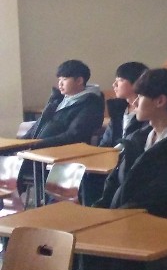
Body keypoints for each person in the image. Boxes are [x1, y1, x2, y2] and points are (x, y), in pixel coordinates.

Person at [96, 68, 167, 217]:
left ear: (160, 101)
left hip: (151, 222)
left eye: (141, 96)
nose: (135, 102)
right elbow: (113, 184)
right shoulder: (136, 138)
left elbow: (161, 197)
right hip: (119, 218)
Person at [17, 59, 105, 193]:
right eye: (59, 79)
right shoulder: (59, 99)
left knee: (10, 166)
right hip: (37, 151)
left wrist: (37, 144)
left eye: (64, 79)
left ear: (79, 81)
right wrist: (21, 143)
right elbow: (39, 124)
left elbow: (73, 135)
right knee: (6, 155)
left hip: (58, 155)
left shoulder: (90, 104)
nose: (60, 83)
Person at [100, 61, 149, 148]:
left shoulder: (147, 111)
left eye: (120, 80)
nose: (114, 85)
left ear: (137, 83)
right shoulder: (119, 108)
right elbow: (105, 142)